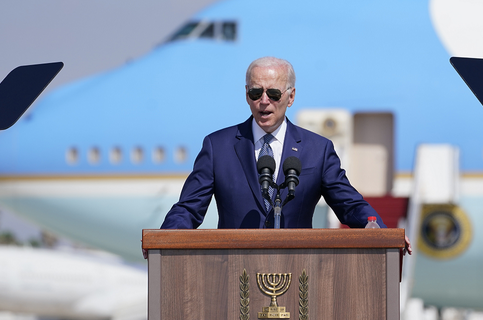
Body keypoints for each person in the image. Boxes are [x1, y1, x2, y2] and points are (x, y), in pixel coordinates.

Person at [160, 56, 412, 254]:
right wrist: (163, 241)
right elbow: (189, 209)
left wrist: (382, 232)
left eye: (274, 94)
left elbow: (349, 204)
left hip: (297, 272)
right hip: (233, 271)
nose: (264, 101)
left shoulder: (317, 149)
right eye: (256, 93)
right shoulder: (218, 146)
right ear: (246, 95)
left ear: (290, 97)